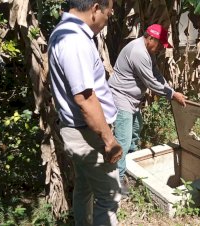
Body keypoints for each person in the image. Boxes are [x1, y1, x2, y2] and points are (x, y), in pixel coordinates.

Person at [48, 0, 123, 225]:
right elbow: (85, 98)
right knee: (109, 198)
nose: (106, 20)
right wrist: (109, 139)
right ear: (95, 9)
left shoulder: (64, 33)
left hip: (81, 132)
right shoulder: (74, 40)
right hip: (90, 134)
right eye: (108, 14)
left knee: (85, 189)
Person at [108, 24, 187, 196]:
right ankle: (118, 181)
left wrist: (171, 90)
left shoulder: (148, 52)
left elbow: (157, 75)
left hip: (133, 100)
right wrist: (173, 95)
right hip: (121, 99)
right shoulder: (138, 52)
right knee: (123, 140)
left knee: (136, 132)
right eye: (159, 44)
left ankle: (131, 167)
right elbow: (151, 83)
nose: (160, 49)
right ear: (150, 38)